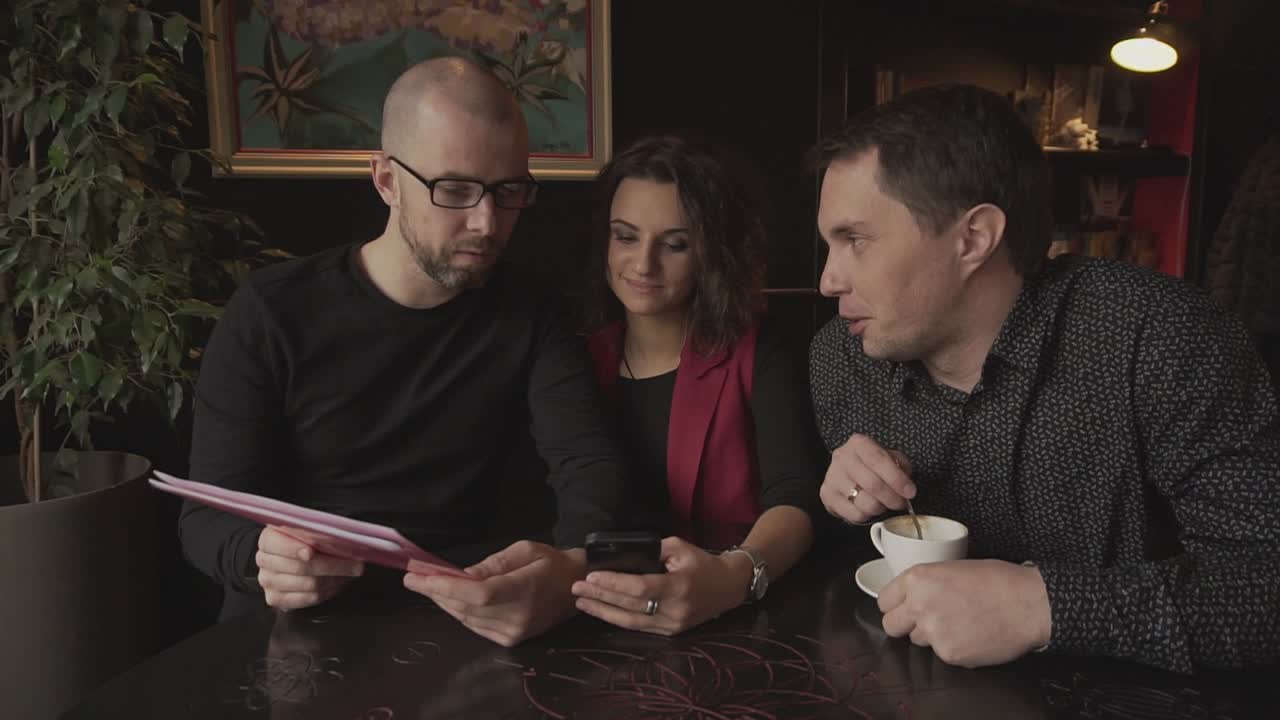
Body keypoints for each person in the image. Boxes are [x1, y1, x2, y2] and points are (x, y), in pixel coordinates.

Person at [809, 83, 1280, 673]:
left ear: (973, 238)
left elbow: (1266, 580)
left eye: (855, 240)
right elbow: (863, 574)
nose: (828, 281)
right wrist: (848, 506)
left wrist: (1048, 608)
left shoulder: (1160, 335)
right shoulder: (843, 358)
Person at [180, 57, 631, 647]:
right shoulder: (271, 311)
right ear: (386, 180)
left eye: (509, 191)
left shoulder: (533, 312)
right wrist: (260, 555)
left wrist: (570, 568)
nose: (487, 222)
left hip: (456, 619)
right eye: (456, 190)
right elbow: (205, 520)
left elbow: (588, 467)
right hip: (294, 628)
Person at [569, 136, 825, 635]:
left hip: (736, 616)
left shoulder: (759, 350)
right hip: (599, 615)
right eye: (625, 237)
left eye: (675, 244)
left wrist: (734, 577)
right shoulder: (576, 361)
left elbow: (796, 496)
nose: (644, 264)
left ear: (710, 252)